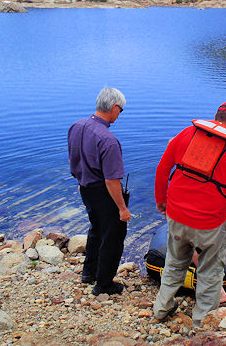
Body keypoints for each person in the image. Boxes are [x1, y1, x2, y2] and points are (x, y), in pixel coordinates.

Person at [153, 101, 226, 327]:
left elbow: (162, 168)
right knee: (210, 272)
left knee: (174, 263)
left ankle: (162, 308)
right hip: (208, 224)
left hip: (176, 215)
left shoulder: (188, 133)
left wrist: (161, 201)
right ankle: (202, 322)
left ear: (216, 116)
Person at [68, 87, 131, 296]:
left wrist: (80, 180)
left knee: (95, 229)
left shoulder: (77, 127)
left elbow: (73, 160)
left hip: (85, 188)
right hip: (105, 193)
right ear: (114, 107)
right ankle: (104, 284)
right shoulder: (108, 140)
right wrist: (122, 208)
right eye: (120, 111)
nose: (119, 115)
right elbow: (112, 180)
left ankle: (89, 272)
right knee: (113, 236)